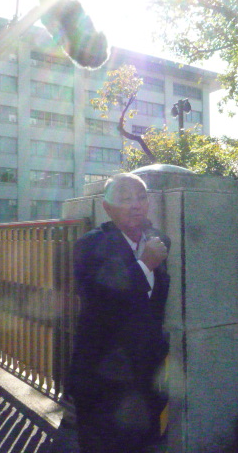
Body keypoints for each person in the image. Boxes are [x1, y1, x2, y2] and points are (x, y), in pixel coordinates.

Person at [67, 173, 171, 453]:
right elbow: (100, 300)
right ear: (107, 207)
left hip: (146, 371)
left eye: (141, 197)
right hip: (103, 372)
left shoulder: (158, 241)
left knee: (143, 442)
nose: (136, 205)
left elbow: (153, 304)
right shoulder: (90, 245)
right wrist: (144, 265)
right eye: (125, 199)